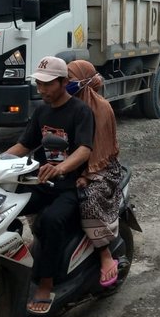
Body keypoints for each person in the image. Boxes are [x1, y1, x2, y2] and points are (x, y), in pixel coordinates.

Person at [5, 56, 94, 315]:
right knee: (6, 208)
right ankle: (12, 262)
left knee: (51, 221)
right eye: (39, 84)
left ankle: (46, 283)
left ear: (64, 82)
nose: (41, 89)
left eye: (47, 84)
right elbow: (24, 145)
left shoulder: (80, 111)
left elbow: (84, 149)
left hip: (69, 186)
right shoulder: (41, 111)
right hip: (41, 182)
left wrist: (61, 168)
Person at [66, 59, 123, 288]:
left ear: (83, 81)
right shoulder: (64, 105)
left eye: (70, 80)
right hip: (72, 167)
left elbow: (102, 150)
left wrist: (86, 175)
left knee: (87, 199)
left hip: (102, 169)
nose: (65, 85)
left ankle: (104, 254)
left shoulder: (101, 109)